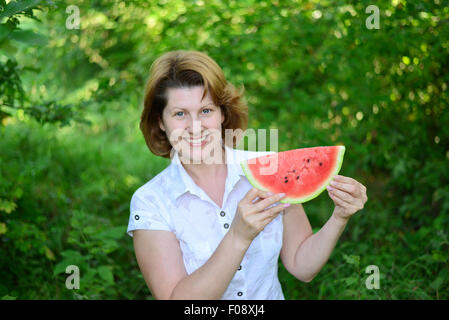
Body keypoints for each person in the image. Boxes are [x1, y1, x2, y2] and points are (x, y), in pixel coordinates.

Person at [126, 50, 368, 300]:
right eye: (179, 114)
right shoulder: (150, 202)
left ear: (222, 113)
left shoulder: (269, 168)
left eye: (206, 111)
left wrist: (340, 216)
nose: (195, 126)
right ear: (161, 123)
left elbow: (301, 265)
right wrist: (238, 236)